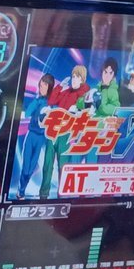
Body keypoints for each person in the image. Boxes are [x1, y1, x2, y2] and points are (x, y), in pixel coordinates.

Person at [39, 65, 88, 198]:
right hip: (53, 130)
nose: (74, 79)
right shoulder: (67, 91)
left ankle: (62, 195)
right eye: (73, 76)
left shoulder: (84, 92)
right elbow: (52, 101)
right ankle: (43, 195)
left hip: (66, 133)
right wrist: (60, 86)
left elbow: (85, 106)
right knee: (47, 164)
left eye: (77, 77)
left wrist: (77, 109)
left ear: (82, 79)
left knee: (63, 166)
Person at [76, 58, 122, 163]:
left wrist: (99, 102)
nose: (107, 76)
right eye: (105, 72)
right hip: (89, 128)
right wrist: (86, 101)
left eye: (110, 73)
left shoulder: (113, 91)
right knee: (78, 157)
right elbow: (80, 102)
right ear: (102, 72)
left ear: (114, 75)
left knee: (92, 160)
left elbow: (113, 109)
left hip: (102, 132)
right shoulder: (96, 88)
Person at [16, 74, 55, 199]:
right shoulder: (37, 101)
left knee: (32, 167)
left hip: (41, 138)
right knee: (26, 167)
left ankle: (21, 190)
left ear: (49, 87)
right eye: (41, 83)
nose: (41, 86)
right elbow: (28, 113)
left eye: (45, 84)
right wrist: (36, 101)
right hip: (31, 135)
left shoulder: (52, 103)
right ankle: (21, 191)